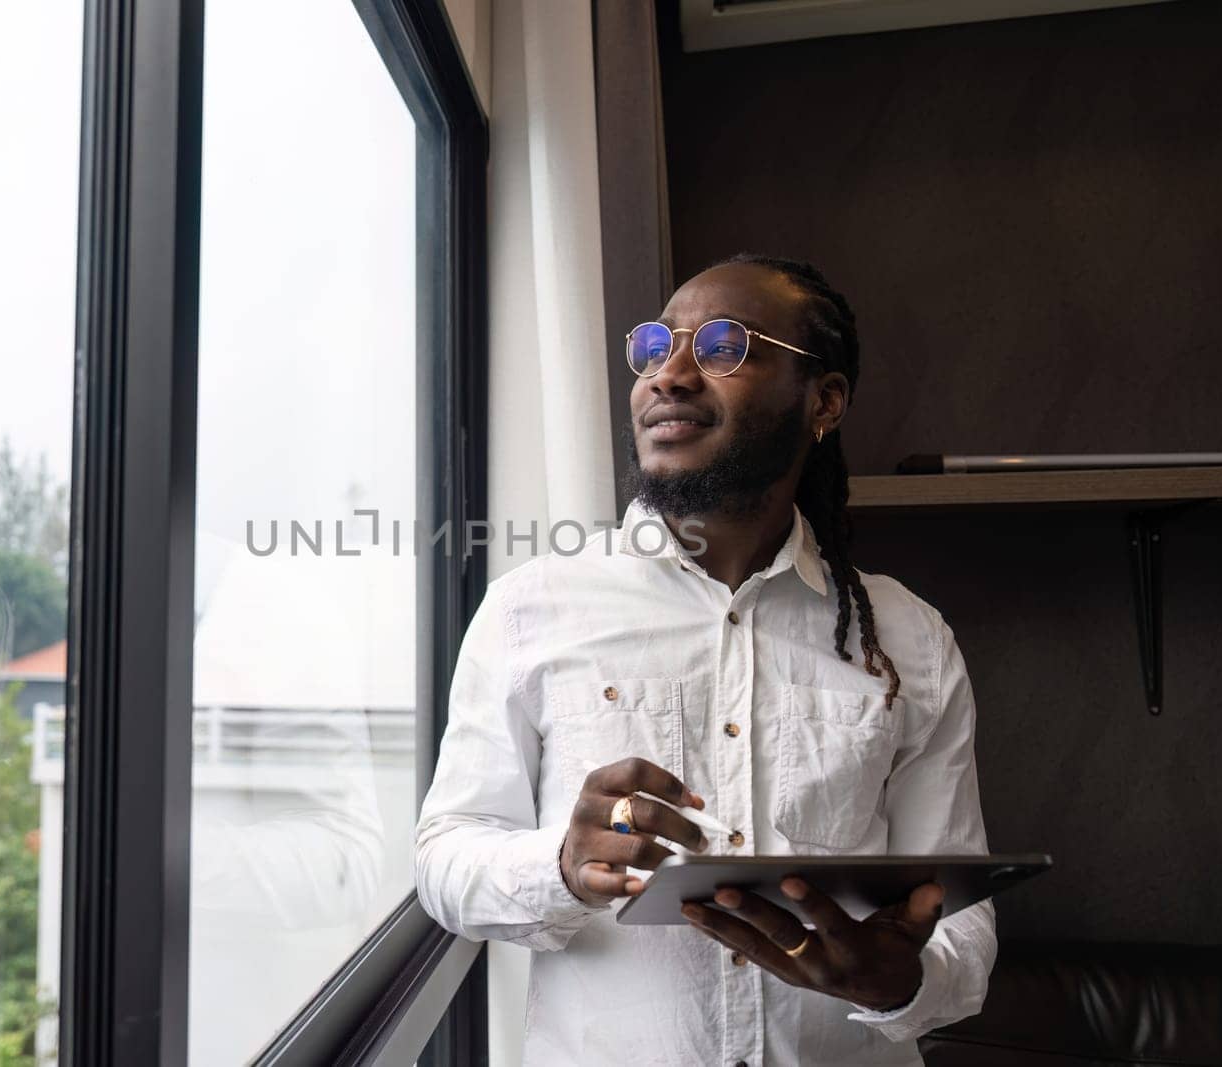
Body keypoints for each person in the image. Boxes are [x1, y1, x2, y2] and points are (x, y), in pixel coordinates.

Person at [414, 254, 996, 1065]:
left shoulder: (909, 640)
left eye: (725, 346)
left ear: (823, 401)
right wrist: (563, 862)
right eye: (655, 347)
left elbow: (963, 922)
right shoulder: (530, 609)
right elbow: (445, 859)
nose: (670, 374)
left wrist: (900, 981)